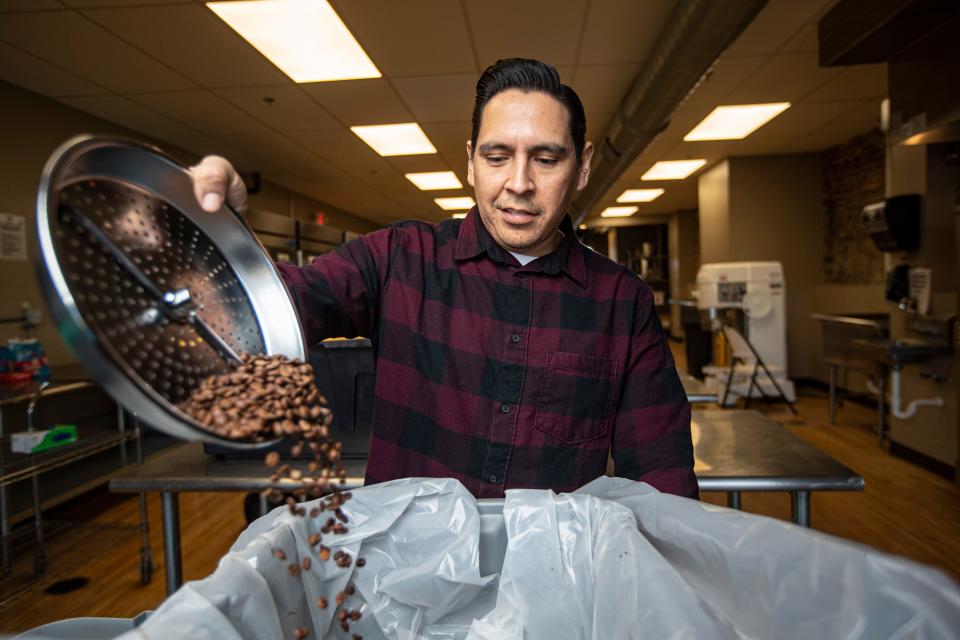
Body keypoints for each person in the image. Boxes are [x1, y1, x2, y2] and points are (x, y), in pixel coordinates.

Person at [190, 58, 697, 499]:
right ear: (471, 162)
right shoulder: (397, 259)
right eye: (497, 158)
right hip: (403, 586)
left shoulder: (621, 303)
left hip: (549, 590)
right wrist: (221, 241)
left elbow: (660, 476)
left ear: (581, 166)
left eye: (545, 159)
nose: (518, 184)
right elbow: (275, 307)